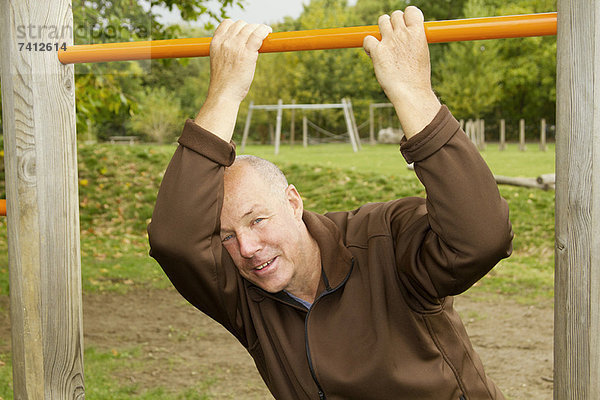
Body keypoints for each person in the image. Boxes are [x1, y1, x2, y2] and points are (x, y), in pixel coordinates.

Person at [148, 6, 513, 400]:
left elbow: (481, 238)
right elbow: (173, 239)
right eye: (227, 236)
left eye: (256, 220)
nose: (247, 249)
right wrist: (224, 93)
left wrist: (413, 93)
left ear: (293, 201)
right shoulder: (241, 293)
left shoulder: (384, 240)